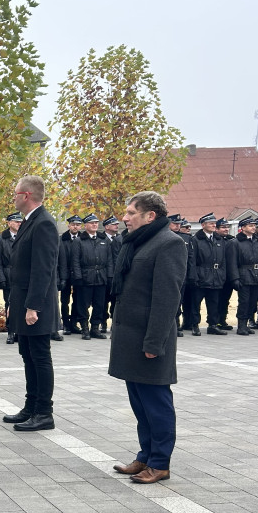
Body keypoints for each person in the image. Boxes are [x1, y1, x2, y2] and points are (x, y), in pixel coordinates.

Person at [110, 191, 188, 484]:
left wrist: (154, 343)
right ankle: (145, 456)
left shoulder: (170, 244)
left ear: (150, 216)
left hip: (149, 340)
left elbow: (167, 299)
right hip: (130, 338)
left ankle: (160, 463)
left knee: (156, 403)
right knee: (140, 404)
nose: (125, 218)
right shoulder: (137, 242)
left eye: (131, 213)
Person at [3, 175, 59, 431]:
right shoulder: (29, 222)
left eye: (15, 193)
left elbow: (42, 269)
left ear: (26, 196)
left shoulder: (44, 223)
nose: (13, 197)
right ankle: (31, 406)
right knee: (27, 355)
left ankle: (44, 413)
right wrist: (16, 303)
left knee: (39, 356)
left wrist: (33, 306)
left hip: (38, 304)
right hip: (24, 300)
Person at [72, 213, 114, 340]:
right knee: (83, 305)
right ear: (86, 225)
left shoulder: (103, 240)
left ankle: (95, 328)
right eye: (92, 223)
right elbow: (75, 261)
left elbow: (109, 260)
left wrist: (110, 276)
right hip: (85, 277)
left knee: (99, 304)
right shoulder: (79, 241)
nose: (95, 225)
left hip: (101, 277)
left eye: (96, 223)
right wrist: (78, 277)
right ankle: (85, 328)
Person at [228, 218, 258, 335]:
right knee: (244, 301)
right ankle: (241, 325)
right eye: (250, 225)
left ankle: (246, 324)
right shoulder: (235, 242)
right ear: (243, 228)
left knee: (253, 302)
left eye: (254, 225)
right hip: (244, 275)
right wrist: (235, 278)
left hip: (257, 275)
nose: (253, 227)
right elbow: (232, 262)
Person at [190, 212, 228, 336]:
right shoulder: (195, 240)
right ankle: (195, 325)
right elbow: (192, 260)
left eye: (214, 223)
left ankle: (212, 325)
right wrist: (194, 276)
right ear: (203, 225)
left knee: (214, 303)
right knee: (196, 303)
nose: (213, 225)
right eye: (210, 223)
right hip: (201, 275)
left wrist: (222, 275)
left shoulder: (219, 239)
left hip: (216, 276)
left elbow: (223, 260)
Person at [0, 212, 21, 344]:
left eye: (20, 221)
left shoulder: (24, 235)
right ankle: (11, 331)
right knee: (10, 304)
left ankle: (20, 331)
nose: (19, 224)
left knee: (22, 304)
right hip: (8, 275)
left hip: (22, 276)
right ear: (9, 223)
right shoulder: (2, 239)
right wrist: (2, 277)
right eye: (16, 221)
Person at [59, 215, 83, 334]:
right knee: (64, 301)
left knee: (77, 300)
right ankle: (66, 325)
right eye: (73, 224)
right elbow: (60, 259)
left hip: (78, 274)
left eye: (78, 225)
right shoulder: (62, 239)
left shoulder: (83, 239)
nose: (75, 227)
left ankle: (74, 323)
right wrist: (62, 277)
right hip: (65, 274)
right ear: (69, 226)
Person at [214, 218, 235, 330]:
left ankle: (222, 320)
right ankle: (215, 321)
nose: (226, 229)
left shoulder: (231, 240)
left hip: (228, 275)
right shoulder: (214, 240)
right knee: (216, 299)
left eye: (227, 227)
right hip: (217, 274)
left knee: (225, 299)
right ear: (216, 229)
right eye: (223, 227)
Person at [102, 216, 122, 331]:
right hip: (104, 275)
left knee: (115, 302)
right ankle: (103, 323)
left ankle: (114, 324)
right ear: (107, 226)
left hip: (116, 276)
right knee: (103, 302)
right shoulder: (101, 238)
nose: (117, 226)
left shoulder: (120, 239)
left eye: (117, 224)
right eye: (114, 224)